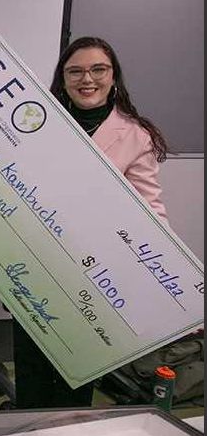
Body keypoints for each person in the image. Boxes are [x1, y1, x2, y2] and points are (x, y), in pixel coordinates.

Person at [15, 35, 169, 408]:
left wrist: (165, 274)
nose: (87, 79)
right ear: (63, 78)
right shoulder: (37, 118)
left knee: (76, 374)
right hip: (32, 262)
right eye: (76, 71)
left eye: (98, 69)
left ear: (113, 76)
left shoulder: (135, 135)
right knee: (31, 369)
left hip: (94, 274)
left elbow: (151, 211)